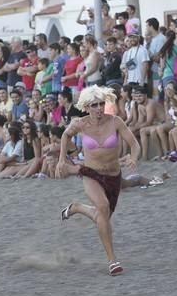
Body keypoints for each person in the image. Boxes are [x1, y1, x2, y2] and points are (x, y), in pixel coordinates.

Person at [56, 85, 141, 276]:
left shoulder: (116, 122)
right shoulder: (80, 123)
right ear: (86, 106)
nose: (99, 108)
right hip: (91, 173)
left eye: (101, 104)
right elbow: (65, 135)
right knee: (102, 207)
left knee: (102, 217)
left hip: (113, 176)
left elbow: (134, 144)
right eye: (94, 105)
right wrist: (62, 159)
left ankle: (77, 207)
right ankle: (113, 261)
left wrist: (133, 157)